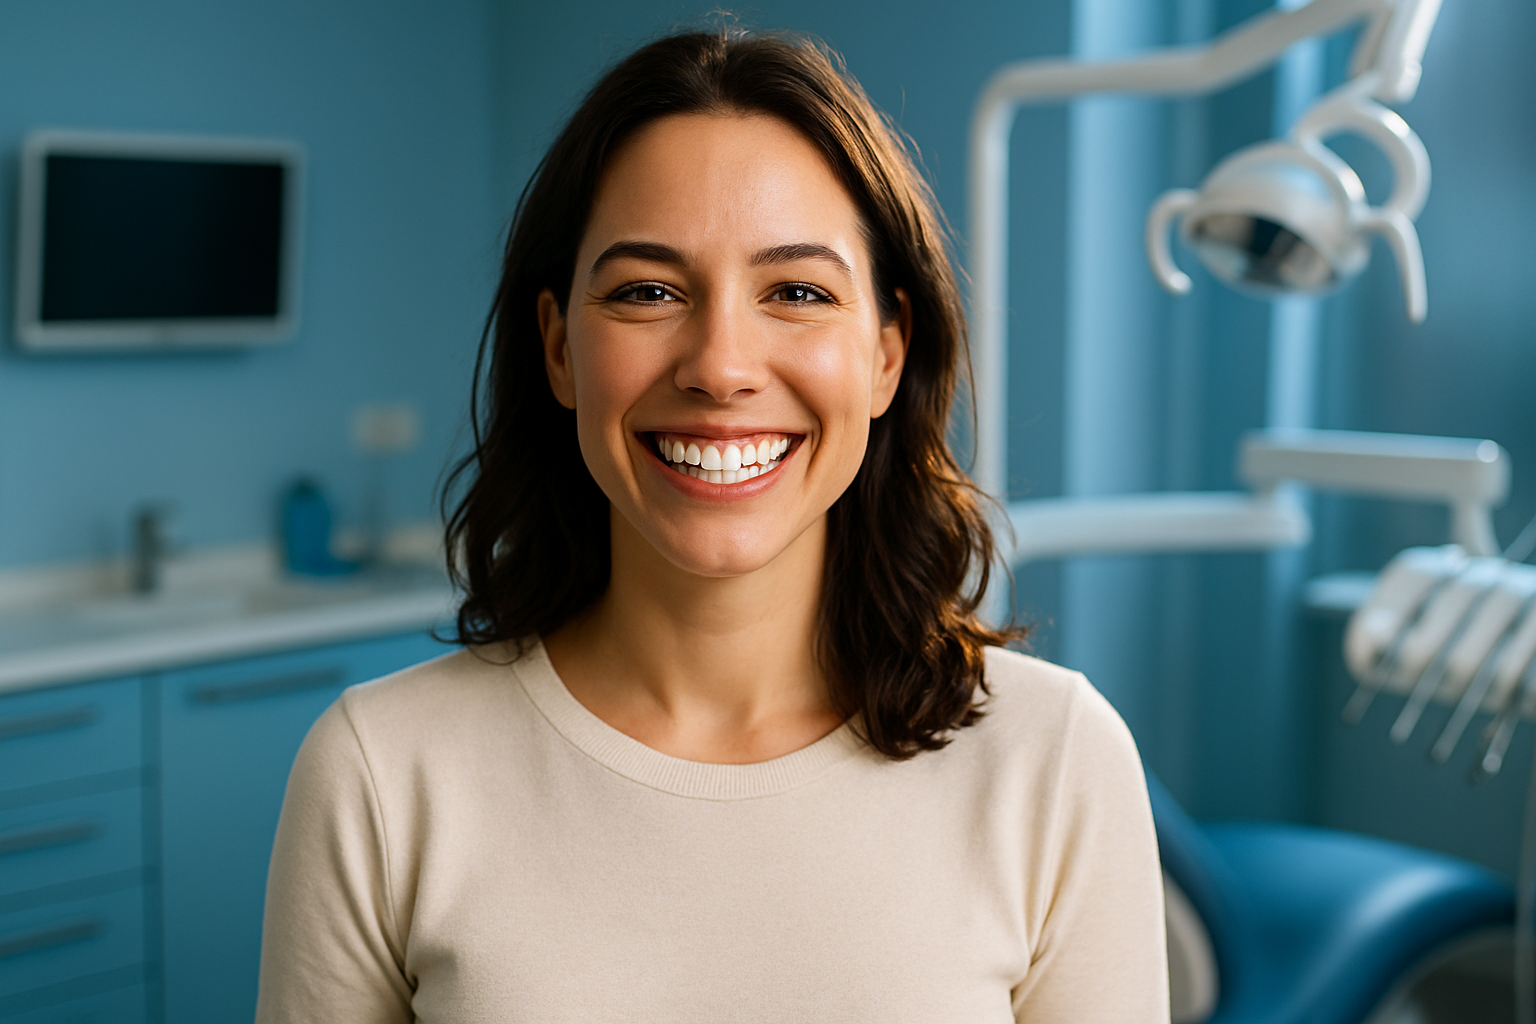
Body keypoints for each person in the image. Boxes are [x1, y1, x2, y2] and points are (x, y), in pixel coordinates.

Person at [255, 27, 1167, 1023]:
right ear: (559, 349)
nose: (721, 367)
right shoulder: (380, 774)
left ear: (886, 355)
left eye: (798, 292)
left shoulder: (1056, 761)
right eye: (648, 291)